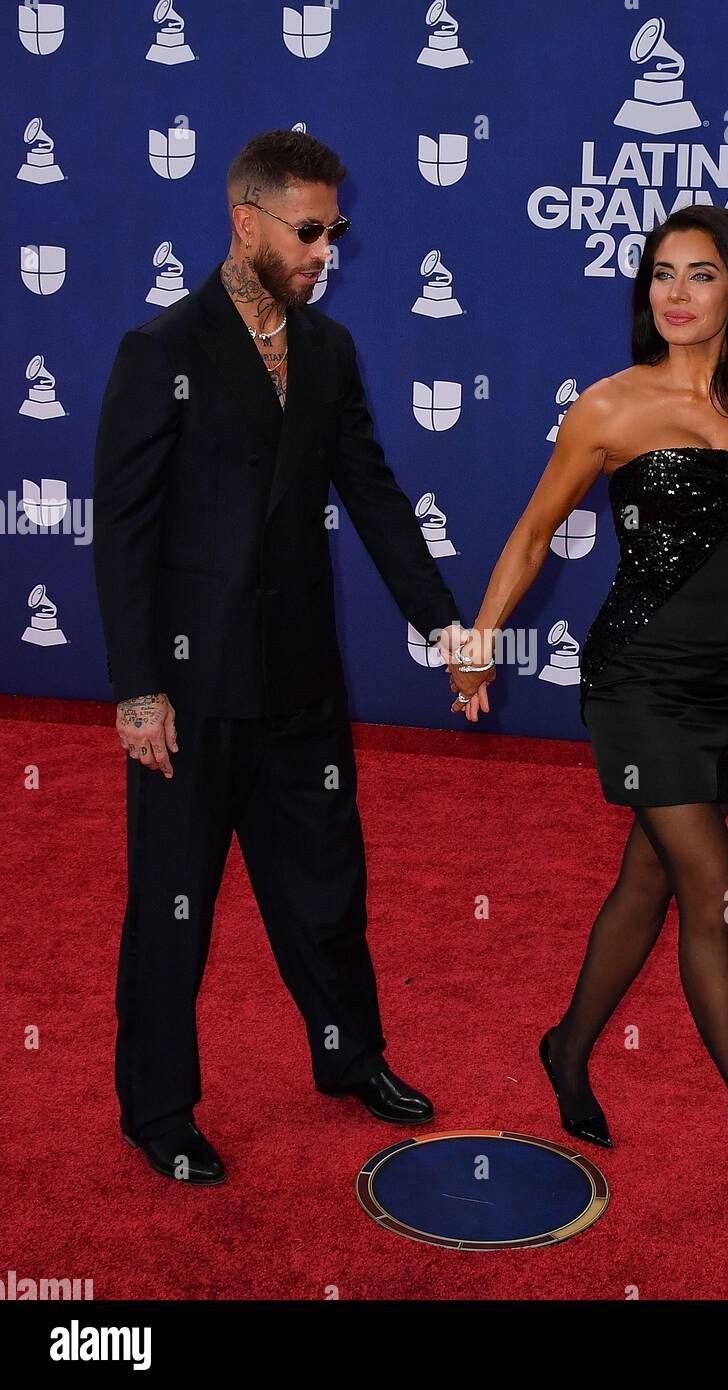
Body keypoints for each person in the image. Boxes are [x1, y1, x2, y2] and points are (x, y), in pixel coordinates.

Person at [446, 206, 728, 1227]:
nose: (675, 293)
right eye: (660, 275)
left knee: (650, 878)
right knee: (710, 882)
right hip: (635, 681)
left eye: (700, 275)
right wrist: (482, 641)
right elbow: (535, 531)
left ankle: (567, 1043)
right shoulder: (608, 408)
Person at [93, 128, 469, 1186]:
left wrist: (444, 624)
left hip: (301, 682)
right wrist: (134, 686)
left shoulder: (331, 351)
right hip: (189, 685)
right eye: (307, 231)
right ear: (245, 219)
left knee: (327, 887)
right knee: (174, 901)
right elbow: (121, 530)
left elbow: (377, 497)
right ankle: (158, 1107)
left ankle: (352, 1058)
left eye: (333, 231)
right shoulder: (159, 350)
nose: (323, 252)